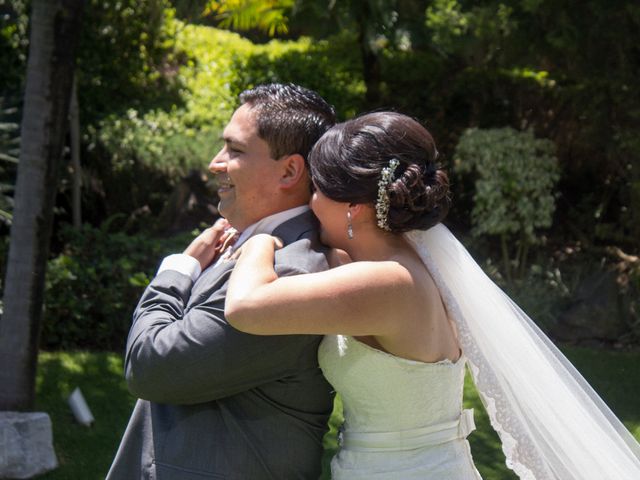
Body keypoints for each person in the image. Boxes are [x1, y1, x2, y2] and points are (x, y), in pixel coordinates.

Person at [225, 111, 640, 479]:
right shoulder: (412, 263)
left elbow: (246, 308)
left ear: (353, 207)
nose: (310, 202)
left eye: (316, 190)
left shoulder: (387, 285)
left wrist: (262, 238)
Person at [106, 83, 337, 480]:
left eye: (235, 150)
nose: (216, 163)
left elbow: (150, 365)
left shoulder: (288, 273)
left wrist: (178, 269)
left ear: (290, 170)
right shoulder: (244, 243)